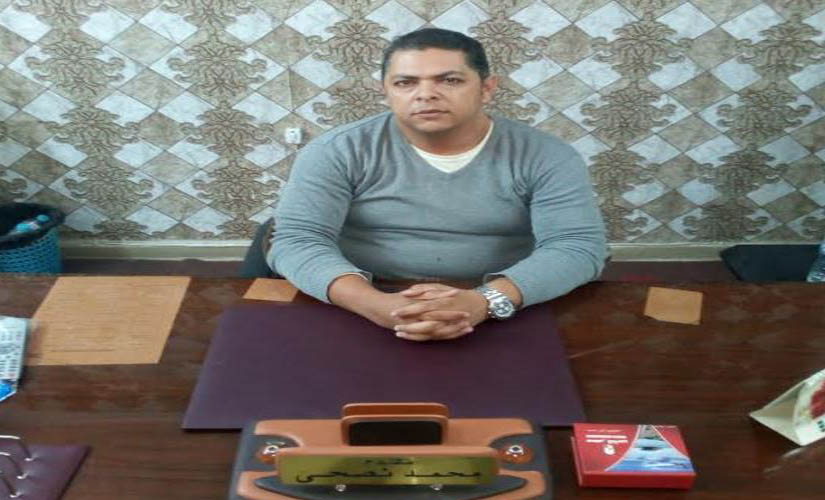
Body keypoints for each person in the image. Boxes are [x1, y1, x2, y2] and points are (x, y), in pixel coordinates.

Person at [269, 28, 606, 341]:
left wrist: (485, 301)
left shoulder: (548, 155)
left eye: (450, 80)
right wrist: (375, 304)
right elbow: (298, 240)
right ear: (385, 91)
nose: (426, 94)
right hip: (364, 296)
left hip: (504, 297)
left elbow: (575, 246)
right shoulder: (336, 151)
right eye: (405, 82)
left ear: (487, 88)